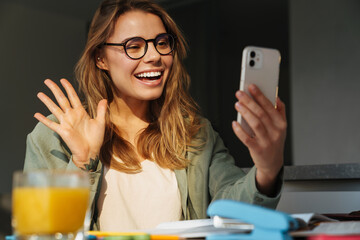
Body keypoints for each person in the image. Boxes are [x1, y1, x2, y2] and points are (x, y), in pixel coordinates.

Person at [24, 0, 287, 231]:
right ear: (100, 58)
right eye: (134, 46)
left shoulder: (197, 133)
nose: (155, 56)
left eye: (162, 43)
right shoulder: (55, 136)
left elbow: (232, 213)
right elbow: (42, 229)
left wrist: (267, 169)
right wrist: (83, 164)